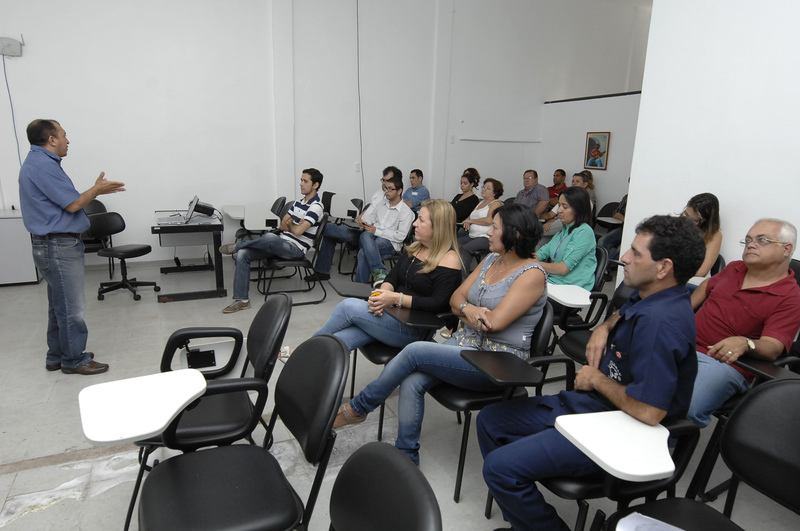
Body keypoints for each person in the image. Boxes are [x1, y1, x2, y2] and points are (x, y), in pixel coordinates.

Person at [477, 215, 705, 531]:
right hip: (592, 406)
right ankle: (524, 522)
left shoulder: (660, 325)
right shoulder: (652, 295)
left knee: (500, 468)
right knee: (491, 420)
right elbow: (624, 311)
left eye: (636, 253)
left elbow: (649, 411)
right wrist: (603, 328)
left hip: (619, 429)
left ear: (664, 267)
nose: (624, 258)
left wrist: (596, 379)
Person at [333, 204, 548, 466]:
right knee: (412, 379)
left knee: (414, 351)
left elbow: (493, 323)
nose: (488, 232)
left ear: (514, 235)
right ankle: (407, 455)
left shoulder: (531, 274)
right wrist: (469, 310)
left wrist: (466, 312)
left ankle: (358, 408)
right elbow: (455, 299)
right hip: (465, 346)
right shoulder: (491, 260)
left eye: (494, 227)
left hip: (498, 362)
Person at [18, 119, 125, 375]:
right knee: (71, 308)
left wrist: (95, 191)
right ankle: (74, 359)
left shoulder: (37, 162)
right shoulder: (44, 165)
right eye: (64, 135)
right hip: (58, 246)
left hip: (50, 244)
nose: (68, 140)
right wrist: (96, 190)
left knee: (58, 305)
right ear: (51, 139)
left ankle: (57, 355)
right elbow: (74, 204)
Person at [687, 218, 800, 428]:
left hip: (721, 362)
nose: (751, 244)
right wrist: (681, 312)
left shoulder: (790, 297)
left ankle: (670, 443)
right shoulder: (734, 268)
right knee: (629, 372)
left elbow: (773, 347)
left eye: (762, 240)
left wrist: (745, 343)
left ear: (786, 249)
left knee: (685, 406)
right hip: (683, 343)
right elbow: (706, 285)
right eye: (748, 239)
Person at [313, 199, 462, 350]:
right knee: (339, 340)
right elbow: (393, 277)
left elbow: (437, 303)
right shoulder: (416, 248)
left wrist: (396, 298)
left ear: (438, 227)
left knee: (347, 306)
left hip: (413, 327)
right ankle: (307, 354)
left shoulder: (449, 259)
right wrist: (381, 297)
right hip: (393, 314)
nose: (414, 224)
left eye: (421, 221)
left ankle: (303, 351)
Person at [219, 169, 325, 313]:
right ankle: (242, 301)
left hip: (295, 250)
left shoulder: (316, 207)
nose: (301, 184)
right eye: (301, 180)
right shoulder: (298, 203)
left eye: (305, 181)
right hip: (280, 243)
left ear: (315, 185)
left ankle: (238, 246)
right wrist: (293, 225)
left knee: (270, 237)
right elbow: (282, 225)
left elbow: (298, 232)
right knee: (243, 254)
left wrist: (291, 224)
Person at [308, 175, 414, 285]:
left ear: (399, 191)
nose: (386, 191)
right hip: (368, 234)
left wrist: (376, 231)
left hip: (388, 241)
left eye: (390, 189)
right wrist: (364, 224)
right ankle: (379, 273)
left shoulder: (406, 212)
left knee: (363, 252)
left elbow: (400, 236)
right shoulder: (381, 203)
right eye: (386, 188)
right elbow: (371, 218)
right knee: (330, 229)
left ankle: (361, 286)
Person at [534, 187, 597, 290]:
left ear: (578, 209)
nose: (559, 210)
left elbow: (563, 268)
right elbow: (541, 253)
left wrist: (533, 264)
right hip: (553, 283)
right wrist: (522, 260)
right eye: (559, 205)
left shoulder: (584, 232)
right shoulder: (563, 231)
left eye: (565, 207)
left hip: (571, 288)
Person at [457, 178, 504, 273]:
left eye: (488, 188)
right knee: (454, 244)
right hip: (472, 236)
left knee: (466, 249)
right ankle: (454, 271)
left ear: (494, 193)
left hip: (486, 237)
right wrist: (467, 221)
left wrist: (471, 221)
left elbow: (489, 220)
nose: (484, 189)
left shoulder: (496, 203)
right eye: (484, 187)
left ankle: (463, 277)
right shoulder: (480, 203)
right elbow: (469, 217)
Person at [538, 173, 597, 247]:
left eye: (577, 181)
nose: (573, 183)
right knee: (540, 239)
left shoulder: (586, 201)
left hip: (571, 224)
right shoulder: (565, 198)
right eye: (573, 181)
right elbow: (550, 214)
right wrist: (536, 215)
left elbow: (574, 216)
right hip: (559, 223)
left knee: (535, 233)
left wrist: (553, 220)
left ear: (585, 184)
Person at [681, 192, 722, 278]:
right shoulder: (678, 223)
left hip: (688, 278)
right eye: (686, 214)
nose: (687, 221)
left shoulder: (714, 235)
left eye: (694, 220)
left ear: (706, 222)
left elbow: (701, 272)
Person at [597, 193, 628, 260]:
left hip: (637, 232)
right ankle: (602, 262)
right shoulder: (627, 197)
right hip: (623, 228)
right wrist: (627, 221)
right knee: (602, 241)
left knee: (622, 248)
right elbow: (616, 214)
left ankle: (608, 264)